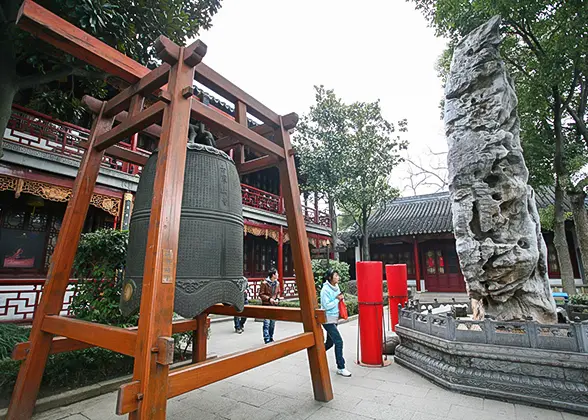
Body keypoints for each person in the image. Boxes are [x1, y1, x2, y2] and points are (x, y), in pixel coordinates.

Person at [320, 268, 351, 377]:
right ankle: (341, 367)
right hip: (327, 320)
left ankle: (317, 354)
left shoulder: (336, 287)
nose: (338, 277)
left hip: (334, 318)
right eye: (336, 275)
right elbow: (326, 306)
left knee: (330, 342)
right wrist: (338, 299)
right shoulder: (325, 290)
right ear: (330, 278)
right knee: (339, 341)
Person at [259, 268, 280, 344]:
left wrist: (277, 299)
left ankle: (271, 337)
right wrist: (269, 299)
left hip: (274, 305)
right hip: (266, 305)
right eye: (277, 274)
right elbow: (261, 294)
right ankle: (266, 338)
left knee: (272, 323)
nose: (278, 275)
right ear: (273, 275)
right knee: (266, 323)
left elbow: (278, 293)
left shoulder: (277, 283)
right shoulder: (264, 283)